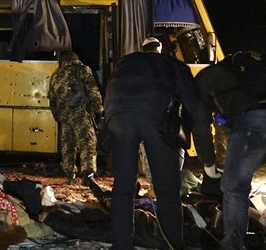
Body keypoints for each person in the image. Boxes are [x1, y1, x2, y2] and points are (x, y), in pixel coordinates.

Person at [104, 37, 219, 250]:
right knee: (167, 190)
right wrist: (208, 161)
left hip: (118, 117)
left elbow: (109, 94)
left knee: (123, 188)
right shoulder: (173, 65)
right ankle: (173, 245)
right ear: (160, 49)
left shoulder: (125, 63)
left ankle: (122, 246)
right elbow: (199, 113)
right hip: (155, 118)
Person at [193, 50, 266, 249]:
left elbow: (200, 123)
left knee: (234, 187)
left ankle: (233, 245)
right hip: (253, 119)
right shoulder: (253, 73)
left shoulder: (207, 77)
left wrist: (208, 162)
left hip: (253, 122)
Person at [48, 51, 103, 185]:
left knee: (68, 145)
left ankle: (69, 174)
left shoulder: (56, 75)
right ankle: (88, 174)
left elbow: (52, 99)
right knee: (87, 143)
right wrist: (99, 110)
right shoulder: (82, 69)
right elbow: (93, 91)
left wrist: (58, 117)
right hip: (81, 114)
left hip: (65, 117)